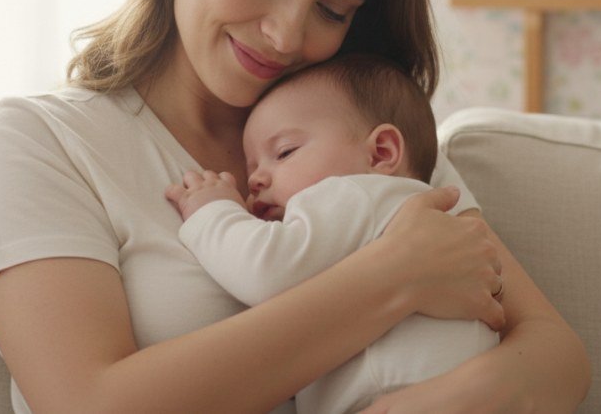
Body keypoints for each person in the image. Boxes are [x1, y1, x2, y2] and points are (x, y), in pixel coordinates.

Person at [0, 0, 589, 413]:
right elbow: (87, 403)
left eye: (333, 10)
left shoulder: (365, 134)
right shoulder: (40, 142)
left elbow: (555, 356)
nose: (287, 35)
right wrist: (395, 277)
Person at [166, 53, 500, 414]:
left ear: (381, 153)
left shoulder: (358, 193)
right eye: (252, 169)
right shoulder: (415, 209)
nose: (257, 179)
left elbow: (266, 270)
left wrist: (211, 210)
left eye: (284, 152)